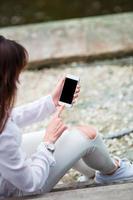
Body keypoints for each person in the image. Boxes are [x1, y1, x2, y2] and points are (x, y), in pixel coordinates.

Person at [0, 35, 133, 199]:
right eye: (16, 76)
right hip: (19, 190)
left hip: (7, 172)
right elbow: (31, 183)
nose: (18, 81)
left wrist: (51, 102)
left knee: (66, 135)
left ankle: (92, 172)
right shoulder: (5, 135)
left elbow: (9, 117)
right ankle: (113, 172)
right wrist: (48, 143)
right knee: (88, 135)